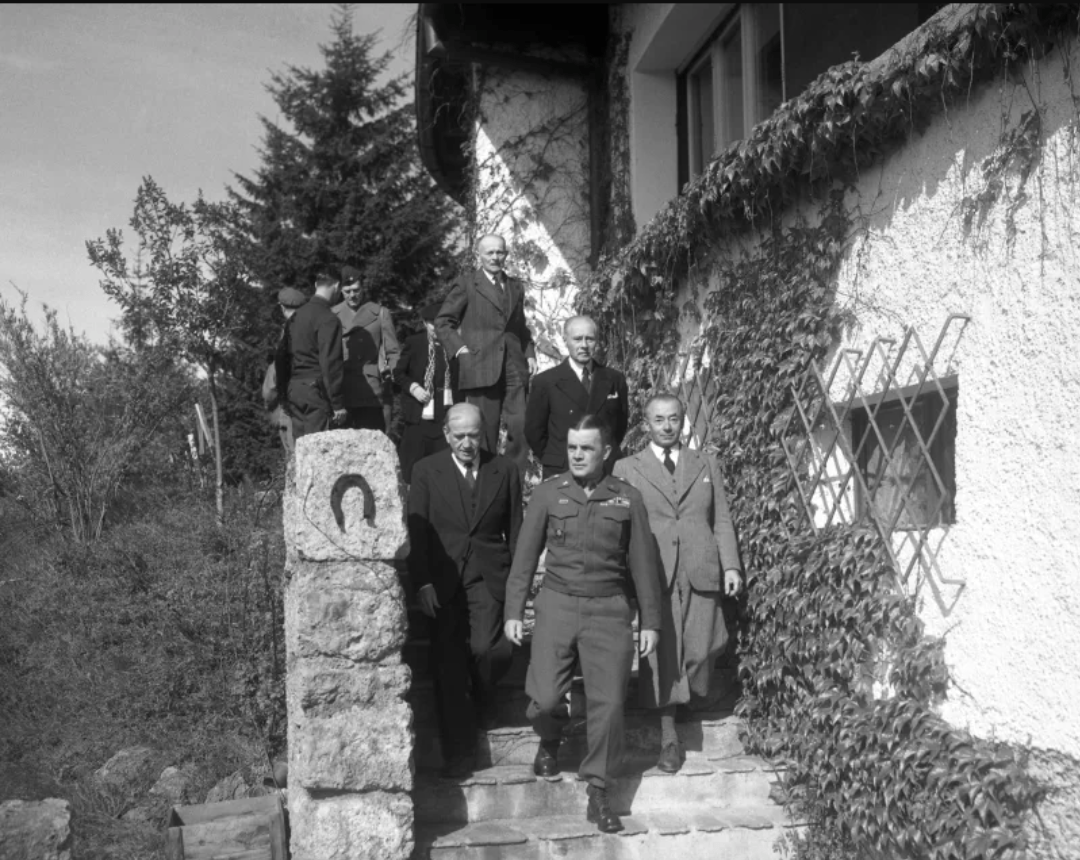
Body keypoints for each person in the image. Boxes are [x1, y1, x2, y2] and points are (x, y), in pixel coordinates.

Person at [504, 415, 662, 833]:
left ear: (605, 452)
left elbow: (644, 565)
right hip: (557, 604)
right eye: (572, 447)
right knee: (545, 698)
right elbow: (524, 558)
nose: (576, 455)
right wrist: (513, 611)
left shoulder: (627, 499)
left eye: (586, 448)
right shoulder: (547, 493)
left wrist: (650, 621)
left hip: (609, 608)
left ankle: (599, 789)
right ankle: (549, 736)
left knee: (609, 705)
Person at [612, 393, 743, 774]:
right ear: (646, 424)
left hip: (701, 567)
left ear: (682, 421)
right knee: (662, 653)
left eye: (673, 419)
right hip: (655, 569)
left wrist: (731, 566)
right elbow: (620, 527)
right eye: (659, 419)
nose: (667, 426)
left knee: (706, 646)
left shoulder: (705, 462)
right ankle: (669, 736)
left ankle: (687, 695)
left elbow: (721, 519)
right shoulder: (626, 467)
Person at [407, 403, 523, 778]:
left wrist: (518, 587)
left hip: (489, 575)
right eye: (459, 436)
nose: (468, 443)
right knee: (449, 666)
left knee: (490, 650)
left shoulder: (504, 469)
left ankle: (485, 696)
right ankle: (459, 753)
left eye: (474, 435)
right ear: (446, 435)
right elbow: (417, 531)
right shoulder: (426, 471)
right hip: (442, 580)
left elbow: (516, 531)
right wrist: (422, 581)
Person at [435, 234, 536, 476]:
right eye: (490, 252)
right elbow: (443, 322)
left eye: (499, 252)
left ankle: (512, 480)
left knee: (521, 426)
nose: (495, 257)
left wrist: (529, 353)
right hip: (479, 366)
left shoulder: (515, 286)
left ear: (506, 254)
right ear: (479, 255)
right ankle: (486, 481)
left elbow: (520, 327)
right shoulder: (467, 284)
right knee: (484, 431)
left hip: (514, 366)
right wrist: (461, 351)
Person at [525, 315, 629, 479]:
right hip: (563, 471)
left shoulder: (614, 379)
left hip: (604, 470)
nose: (584, 345)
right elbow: (534, 431)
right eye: (577, 339)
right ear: (565, 340)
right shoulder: (546, 382)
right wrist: (555, 458)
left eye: (590, 339)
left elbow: (619, 426)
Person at [332, 264, 400, 432]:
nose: (352, 295)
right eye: (347, 291)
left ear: (362, 288)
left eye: (356, 290)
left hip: (371, 390)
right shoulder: (332, 315)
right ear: (340, 291)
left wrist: (393, 373)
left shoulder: (380, 313)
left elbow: (392, 351)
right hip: (343, 389)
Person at [394, 302, 457, 483]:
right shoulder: (415, 343)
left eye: (440, 324)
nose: (436, 328)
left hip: (445, 416)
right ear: (424, 323)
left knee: (443, 472)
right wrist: (414, 388)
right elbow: (399, 373)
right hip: (419, 416)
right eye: (431, 324)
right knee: (411, 469)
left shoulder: (453, 345)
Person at [286, 273, 346, 440]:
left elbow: (284, 357)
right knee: (319, 448)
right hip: (316, 392)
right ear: (337, 286)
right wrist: (337, 403)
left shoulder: (295, 317)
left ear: (315, 285)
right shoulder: (328, 318)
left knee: (300, 448)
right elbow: (330, 363)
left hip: (295, 389)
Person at [261, 286, 307, 453]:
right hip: (313, 401)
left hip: (290, 404)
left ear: (282, 307)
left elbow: (274, 379)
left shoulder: (287, 332)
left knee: (295, 455)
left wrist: (270, 399)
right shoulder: (314, 328)